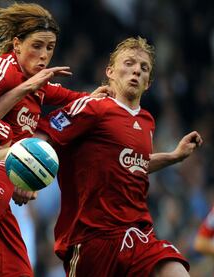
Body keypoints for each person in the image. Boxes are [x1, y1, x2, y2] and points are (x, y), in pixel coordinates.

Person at [0, 3, 112, 275]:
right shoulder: (6, 68)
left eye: (50, 47)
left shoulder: (39, 85)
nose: (44, 55)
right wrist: (7, 140)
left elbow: (76, 100)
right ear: (17, 44)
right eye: (37, 45)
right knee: (27, 149)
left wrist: (103, 98)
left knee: (18, 269)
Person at [36, 37, 203, 276]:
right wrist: (29, 176)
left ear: (148, 83)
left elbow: (132, 164)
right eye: (129, 63)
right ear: (110, 71)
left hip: (137, 234)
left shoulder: (147, 121)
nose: (136, 70)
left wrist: (174, 157)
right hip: (93, 239)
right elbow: (44, 132)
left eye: (144, 68)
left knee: (175, 270)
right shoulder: (94, 107)